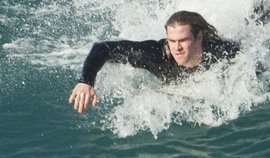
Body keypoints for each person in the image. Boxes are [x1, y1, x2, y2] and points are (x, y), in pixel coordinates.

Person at [68, 11, 240, 114]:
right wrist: (86, 81)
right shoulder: (156, 55)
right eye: (172, 41)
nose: (177, 48)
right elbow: (102, 48)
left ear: (199, 38)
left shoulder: (220, 52)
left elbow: (249, 66)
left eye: (183, 40)